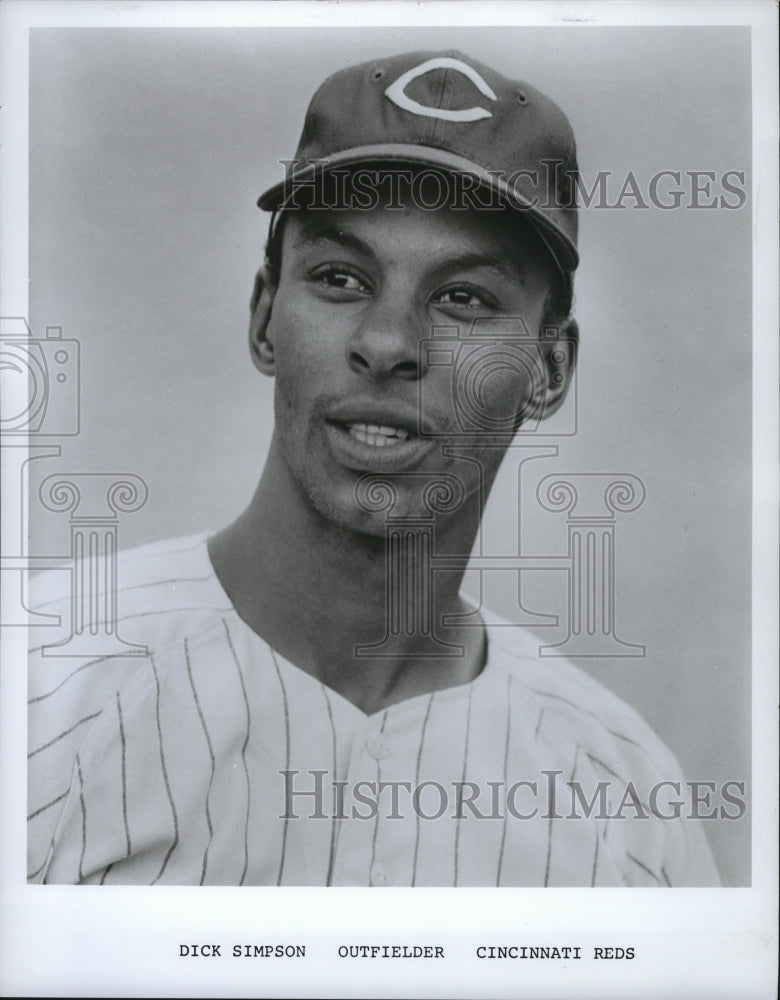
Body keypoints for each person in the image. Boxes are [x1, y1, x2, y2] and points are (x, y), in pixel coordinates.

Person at [27, 49, 720, 886]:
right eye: (341, 277)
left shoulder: (627, 803)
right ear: (263, 318)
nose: (388, 344)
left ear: (549, 372)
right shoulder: (37, 690)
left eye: (464, 297)